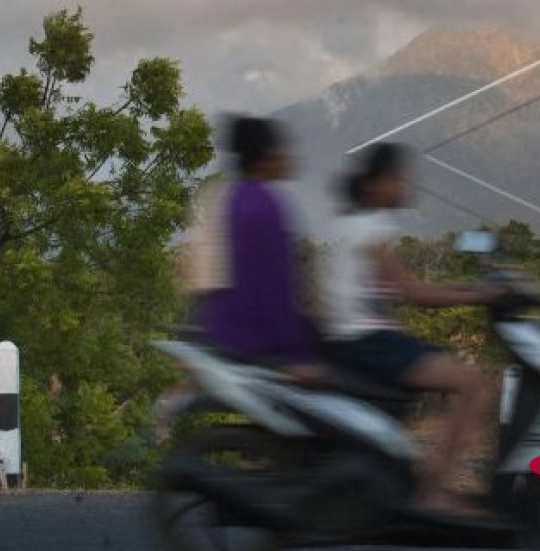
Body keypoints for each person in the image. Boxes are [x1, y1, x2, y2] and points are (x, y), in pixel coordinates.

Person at [319, 143, 503, 516]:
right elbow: (415, 293)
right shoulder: (373, 229)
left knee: (428, 355)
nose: (405, 184)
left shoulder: (348, 224)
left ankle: (406, 477)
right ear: (374, 184)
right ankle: (433, 492)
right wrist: (480, 295)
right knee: (469, 383)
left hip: (349, 338)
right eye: (397, 178)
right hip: (366, 342)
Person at [196, 116, 321, 379]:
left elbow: (207, 280)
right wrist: (300, 355)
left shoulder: (222, 196)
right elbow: (276, 288)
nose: (288, 158)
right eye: (282, 151)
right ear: (266, 158)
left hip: (219, 333)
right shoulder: (265, 204)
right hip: (258, 340)